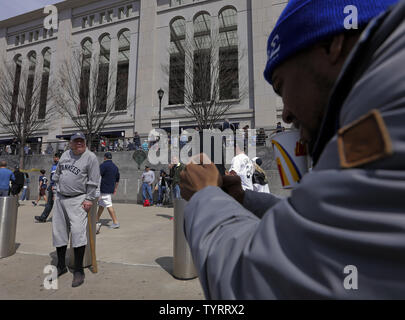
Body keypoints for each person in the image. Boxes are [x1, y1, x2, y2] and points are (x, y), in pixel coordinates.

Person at [179, 0, 405, 299]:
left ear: (332, 45)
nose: (284, 113)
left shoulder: (387, 116)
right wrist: (245, 200)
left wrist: (205, 197)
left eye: (281, 85)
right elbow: (330, 229)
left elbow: (259, 281)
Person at [51, 132, 100, 287]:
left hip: (78, 199)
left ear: (85, 142)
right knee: (59, 232)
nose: (79, 143)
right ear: (71, 143)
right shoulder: (65, 154)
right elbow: (57, 174)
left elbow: (94, 180)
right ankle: (60, 266)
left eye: (81, 141)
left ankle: (78, 270)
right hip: (60, 197)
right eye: (76, 141)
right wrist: (54, 189)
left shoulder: (90, 157)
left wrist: (89, 198)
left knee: (78, 233)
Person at [96, 152, 120, 233]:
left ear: (105, 157)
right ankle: (96, 219)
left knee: (109, 205)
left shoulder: (103, 165)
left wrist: (97, 189)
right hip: (110, 188)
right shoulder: (115, 167)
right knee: (102, 205)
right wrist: (115, 189)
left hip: (103, 189)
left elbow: (97, 176)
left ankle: (115, 222)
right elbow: (117, 180)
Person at [35, 153, 60, 223]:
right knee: (49, 203)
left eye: (54, 157)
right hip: (53, 186)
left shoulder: (58, 166)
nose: (53, 158)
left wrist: (54, 185)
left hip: (56, 187)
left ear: (57, 158)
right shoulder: (54, 166)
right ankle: (43, 217)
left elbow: (56, 177)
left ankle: (61, 220)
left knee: (57, 204)